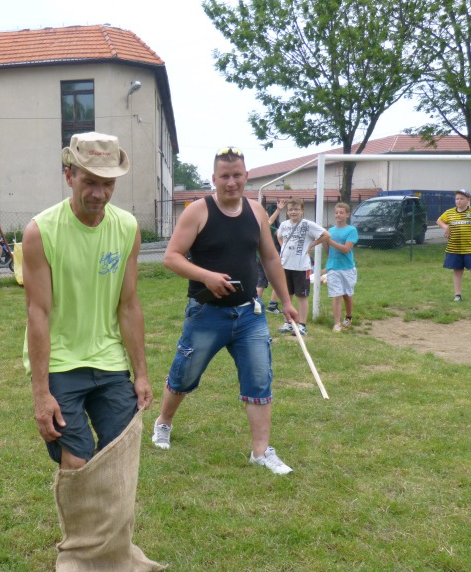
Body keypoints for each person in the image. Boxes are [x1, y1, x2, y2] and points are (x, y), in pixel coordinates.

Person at [23, 131, 161, 572]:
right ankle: (81, 559)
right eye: (90, 181)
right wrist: (41, 394)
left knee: (120, 454)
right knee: (78, 460)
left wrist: (141, 372)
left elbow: (129, 305)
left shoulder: (127, 229)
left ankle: (115, 554)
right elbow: (38, 314)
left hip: (109, 360)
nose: (99, 193)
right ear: (69, 175)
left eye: (108, 183)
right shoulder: (40, 231)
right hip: (62, 362)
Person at [150, 145, 297, 476]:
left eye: (237, 175)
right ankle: (164, 421)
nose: (232, 182)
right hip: (206, 313)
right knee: (184, 374)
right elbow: (171, 256)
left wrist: (286, 301)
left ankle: (260, 452)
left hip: (250, 315)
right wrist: (206, 276)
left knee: (259, 378)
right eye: (225, 176)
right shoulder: (198, 211)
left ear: (246, 176)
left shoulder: (257, 211)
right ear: (213, 179)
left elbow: (270, 258)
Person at [276, 199, 329, 335]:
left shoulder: (308, 225)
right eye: (291, 210)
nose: (293, 212)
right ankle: (288, 323)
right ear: (287, 212)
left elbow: (326, 235)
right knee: (287, 296)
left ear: (302, 210)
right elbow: (279, 236)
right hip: (285, 265)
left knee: (301, 296)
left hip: (301, 267)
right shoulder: (284, 224)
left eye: (296, 209)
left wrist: (311, 245)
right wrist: (283, 247)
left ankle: (302, 325)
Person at [324, 202, 358, 331]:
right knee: (336, 294)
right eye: (336, 212)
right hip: (333, 268)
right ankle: (337, 323)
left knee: (347, 294)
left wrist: (329, 241)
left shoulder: (351, 230)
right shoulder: (330, 231)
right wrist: (324, 242)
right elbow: (328, 252)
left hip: (347, 268)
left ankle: (348, 317)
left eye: (341, 212)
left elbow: (345, 249)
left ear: (347, 214)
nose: (338, 215)